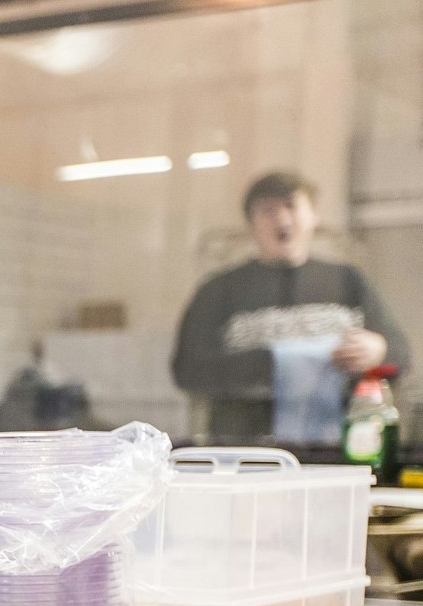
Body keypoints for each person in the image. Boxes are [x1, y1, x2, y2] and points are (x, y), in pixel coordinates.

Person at [172, 170, 411, 441]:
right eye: (269, 210)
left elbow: (402, 355)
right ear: (251, 223)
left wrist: (378, 350)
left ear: (313, 216)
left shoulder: (348, 282)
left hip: (337, 449)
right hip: (247, 449)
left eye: (291, 206)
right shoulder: (218, 291)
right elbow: (187, 372)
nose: (282, 219)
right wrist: (280, 362)